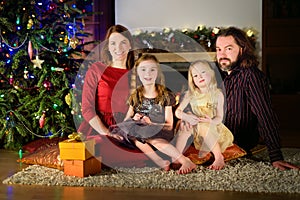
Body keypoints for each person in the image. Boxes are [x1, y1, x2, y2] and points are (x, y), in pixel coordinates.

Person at [214, 26, 299, 170]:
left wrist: (275, 155)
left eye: (228, 49)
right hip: (215, 136)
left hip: (237, 140)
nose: (222, 54)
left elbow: (265, 115)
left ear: (242, 50)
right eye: (218, 49)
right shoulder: (217, 75)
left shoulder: (251, 76)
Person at [77, 24, 151, 168]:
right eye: (113, 43)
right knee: (99, 147)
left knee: (149, 145)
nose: (118, 47)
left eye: (123, 42)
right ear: (108, 47)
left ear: (130, 45)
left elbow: (143, 103)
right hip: (99, 127)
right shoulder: (97, 69)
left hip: (127, 126)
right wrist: (107, 132)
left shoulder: (137, 72)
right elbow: (87, 108)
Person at [111, 54, 197, 174]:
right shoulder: (135, 96)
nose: (148, 74)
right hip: (140, 133)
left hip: (160, 132)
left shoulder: (165, 95)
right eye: (143, 70)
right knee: (134, 134)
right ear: (138, 73)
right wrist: (134, 118)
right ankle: (160, 161)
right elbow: (126, 121)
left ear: (157, 73)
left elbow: (169, 125)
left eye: (152, 70)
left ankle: (184, 160)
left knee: (149, 137)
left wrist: (151, 123)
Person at [174, 60, 234, 170]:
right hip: (195, 125)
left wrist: (211, 121)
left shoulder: (217, 94)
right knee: (184, 128)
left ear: (211, 73)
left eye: (203, 72)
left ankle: (218, 157)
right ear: (192, 80)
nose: (199, 77)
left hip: (213, 129)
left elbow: (219, 117)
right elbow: (178, 112)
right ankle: (177, 157)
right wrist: (187, 117)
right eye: (195, 75)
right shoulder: (190, 94)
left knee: (203, 126)